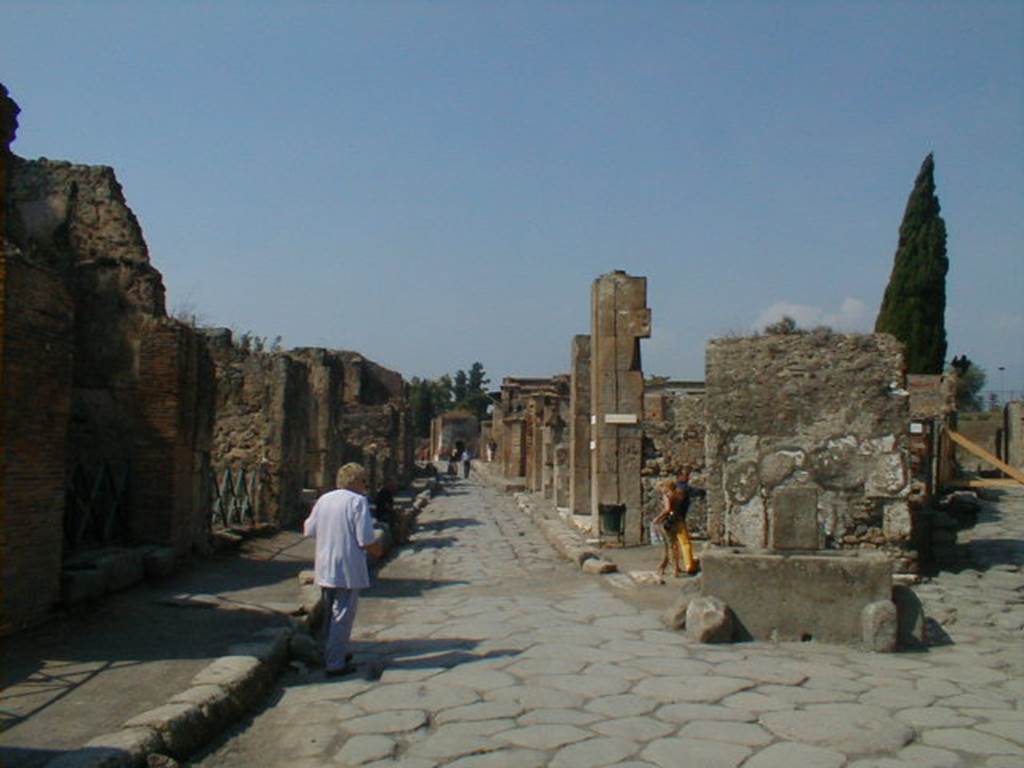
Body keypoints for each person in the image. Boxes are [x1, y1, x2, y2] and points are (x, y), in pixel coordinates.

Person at [303, 462, 383, 676]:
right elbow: (365, 538)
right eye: (363, 481)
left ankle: (329, 652)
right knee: (343, 615)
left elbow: (309, 529)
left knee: (329, 615)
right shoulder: (357, 502)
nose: (365, 485)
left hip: (325, 564)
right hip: (347, 566)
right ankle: (336, 663)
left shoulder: (325, 499)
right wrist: (377, 550)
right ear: (354, 481)